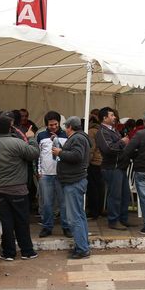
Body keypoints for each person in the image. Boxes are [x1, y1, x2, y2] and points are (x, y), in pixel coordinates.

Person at [0, 114, 40, 261]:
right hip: (18, 190)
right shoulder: (18, 143)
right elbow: (34, 154)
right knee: (22, 220)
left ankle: (8, 252)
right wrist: (31, 138)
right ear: (11, 128)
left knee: (5, 221)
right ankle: (27, 251)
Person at [53, 116, 92, 259]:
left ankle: (82, 249)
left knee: (74, 217)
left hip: (73, 182)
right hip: (76, 180)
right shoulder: (80, 138)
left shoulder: (77, 138)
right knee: (79, 215)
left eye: (66, 126)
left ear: (69, 127)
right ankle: (83, 244)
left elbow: (77, 156)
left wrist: (60, 153)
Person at [36, 111, 70, 238]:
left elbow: (68, 152)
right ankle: (47, 227)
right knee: (46, 203)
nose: (54, 127)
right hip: (46, 174)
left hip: (62, 174)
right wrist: (39, 171)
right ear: (46, 125)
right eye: (51, 125)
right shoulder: (41, 136)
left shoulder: (66, 135)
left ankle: (66, 227)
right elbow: (38, 154)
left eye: (55, 124)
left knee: (64, 203)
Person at [96, 107, 131, 230]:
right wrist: (123, 142)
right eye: (111, 115)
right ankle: (113, 221)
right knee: (115, 196)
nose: (114, 117)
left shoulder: (113, 130)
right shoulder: (102, 132)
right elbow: (109, 149)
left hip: (120, 167)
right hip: (112, 167)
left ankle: (123, 219)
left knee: (125, 195)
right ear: (104, 118)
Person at [87, 114, 105, 220]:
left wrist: (87, 162)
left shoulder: (91, 131)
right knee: (100, 188)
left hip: (94, 162)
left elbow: (91, 149)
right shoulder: (101, 130)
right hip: (102, 161)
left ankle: (94, 212)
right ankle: (100, 210)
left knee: (93, 188)